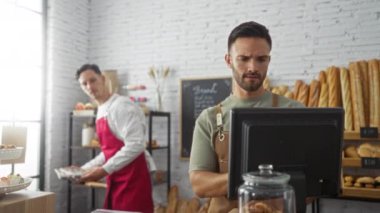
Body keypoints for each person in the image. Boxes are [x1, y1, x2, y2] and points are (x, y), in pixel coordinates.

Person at [189, 21, 304, 212]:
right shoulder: (209, 118)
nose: (252, 67)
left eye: (261, 59)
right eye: (243, 58)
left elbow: (312, 185)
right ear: (228, 60)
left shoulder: (295, 111)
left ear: (269, 60)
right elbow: (199, 185)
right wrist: (259, 181)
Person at [76, 64, 153, 213]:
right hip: (116, 180)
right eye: (84, 84)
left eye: (93, 80)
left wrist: (103, 170)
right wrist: (83, 170)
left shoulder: (121, 106)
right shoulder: (101, 109)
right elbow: (109, 151)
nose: (89, 87)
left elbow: (136, 145)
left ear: (103, 79)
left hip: (133, 180)